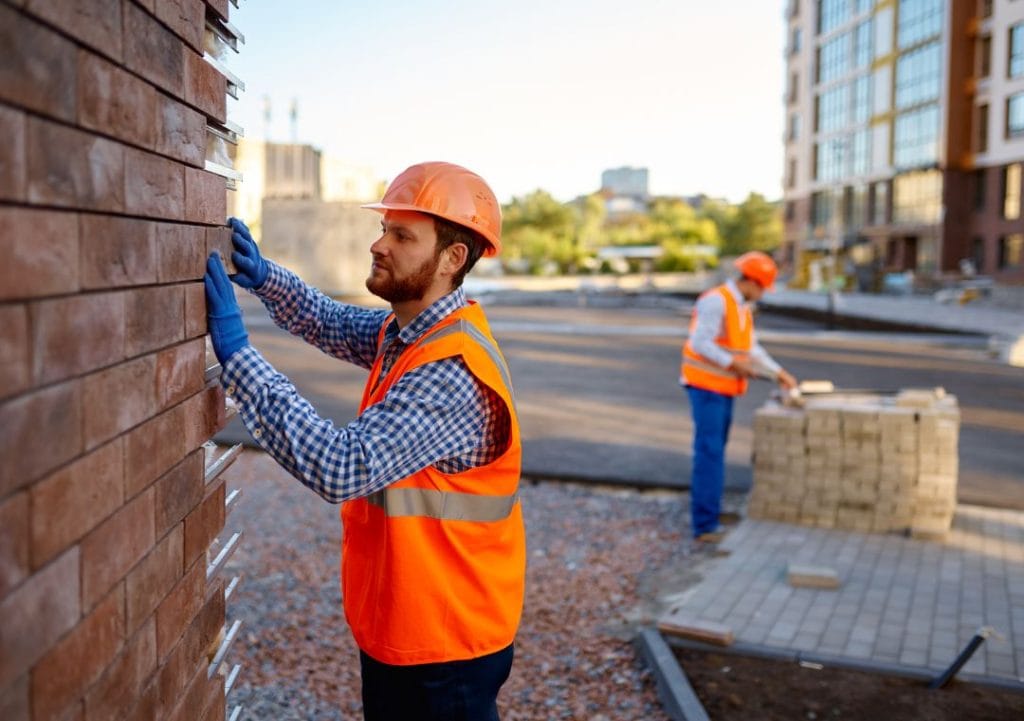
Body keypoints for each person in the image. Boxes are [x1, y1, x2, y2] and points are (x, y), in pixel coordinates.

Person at [203, 161, 525, 721]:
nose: (378, 245)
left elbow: (339, 465)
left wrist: (238, 356)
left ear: (452, 258)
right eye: (384, 229)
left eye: (402, 236)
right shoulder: (409, 333)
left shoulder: (450, 369)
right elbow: (327, 320)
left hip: (444, 645)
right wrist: (265, 278)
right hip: (411, 624)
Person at [680, 251, 797, 545]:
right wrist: (734, 364)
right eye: (761, 288)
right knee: (710, 453)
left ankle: (711, 514)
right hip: (706, 387)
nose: (761, 295)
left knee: (715, 452)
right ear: (752, 282)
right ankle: (704, 524)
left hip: (723, 388)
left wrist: (778, 372)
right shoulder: (716, 301)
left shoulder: (740, 307)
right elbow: (700, 343)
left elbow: (751, 349)